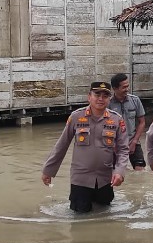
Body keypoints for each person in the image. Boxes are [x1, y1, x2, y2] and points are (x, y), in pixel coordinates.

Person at [41, 81, 129, 213]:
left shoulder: (117, 119)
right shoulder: (76, 117)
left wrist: (119, 172)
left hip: (105, 180)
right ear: (89, 97)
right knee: (79, 218)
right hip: (80, 180)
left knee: (105, 218)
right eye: (97, 94)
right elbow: (62, 145)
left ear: (109, 98)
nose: (100, 99)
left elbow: (123, 149)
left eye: (105, 95)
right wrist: (48, 170)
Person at [108, 73, 146, 171]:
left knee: (140, 171)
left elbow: (142, 122)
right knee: (114, 172)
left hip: (133, 141)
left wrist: (134, 141)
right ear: (115, 88)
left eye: (127, 86)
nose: (127, 89)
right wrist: (113, 145)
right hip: (114, 144)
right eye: (124, 87)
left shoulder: (135, 100)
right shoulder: (108, 104)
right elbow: (104, 126)